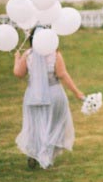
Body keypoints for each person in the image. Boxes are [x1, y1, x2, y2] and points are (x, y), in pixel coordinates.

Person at [13, 26, 85, 169]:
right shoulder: (55, 54)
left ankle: (34, 153)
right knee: (54, 123)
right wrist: (77, 92)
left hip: (33, 94)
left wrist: (17, 58)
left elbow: (18, 73)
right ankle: (46, 153)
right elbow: (62, 75)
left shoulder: (28, 54)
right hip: (54, 93)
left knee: (35, 124)